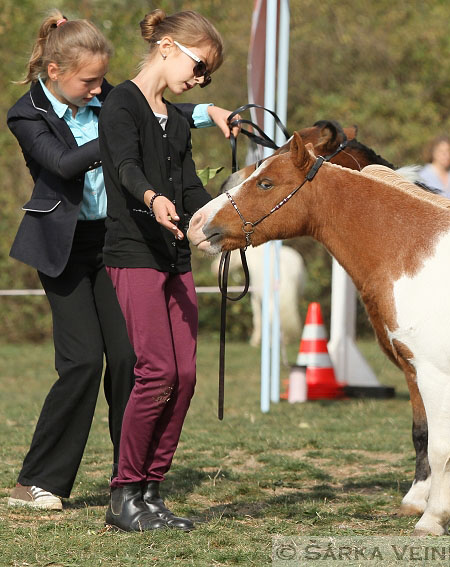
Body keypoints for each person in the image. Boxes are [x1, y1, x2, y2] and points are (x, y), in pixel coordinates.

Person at [6, 11, 237, 512]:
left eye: (100, 81)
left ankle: (126, 480)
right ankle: (37, 479)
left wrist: (210, 109)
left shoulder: (111, 99)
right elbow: (65, 163)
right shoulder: (25, 114)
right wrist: (120, 134)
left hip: (116, 239)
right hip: (63, 246)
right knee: (83, 361)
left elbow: (156, 110)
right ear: (54, 73)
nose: (96, 89)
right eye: (88, 81)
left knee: (132, 361)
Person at [98, 8, 224, 532]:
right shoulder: (119, 105)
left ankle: (151, 491)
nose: (199, 80)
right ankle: (123, 492)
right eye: (199, 67)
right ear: (168, 46)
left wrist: (224, 215)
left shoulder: (174, 120)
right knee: (157, 373)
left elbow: (191, 186)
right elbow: (125, 167)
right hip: (132, 252)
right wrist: (153, 198)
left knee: (186, 374)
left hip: (174, 256)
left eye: (207, 77)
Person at [419, 135, 450, 201]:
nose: (446, 155)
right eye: (441, 151)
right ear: (433, 153)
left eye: (449, 151)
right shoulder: (422, 176)